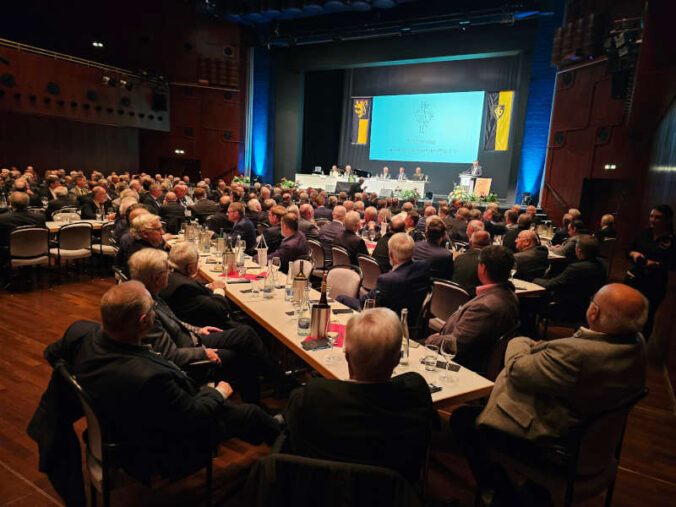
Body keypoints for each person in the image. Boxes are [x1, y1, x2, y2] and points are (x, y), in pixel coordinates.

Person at [31, 281, 281, 498]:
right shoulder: (149, 377)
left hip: (127, 417)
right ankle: (284, 452)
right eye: (153, 311)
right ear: (144, 321)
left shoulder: (79, 332)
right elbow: (193, 416)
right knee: (250, 414)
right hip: (154, 441)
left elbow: (53, 355)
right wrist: (218, 392)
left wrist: (95, 384)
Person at [451, 283, 648, 505]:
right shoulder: (636, 347)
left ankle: (506, 497)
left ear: (594, 312)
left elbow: (517, 369)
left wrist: (520, 342)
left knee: (464, 420)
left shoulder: (575, 354)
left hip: (557, 448)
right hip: (595, 446)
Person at [281, 308, 435, 482]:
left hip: (321, 492)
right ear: (397, 359)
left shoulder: (312, 396)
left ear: (347, 357)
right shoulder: (416, 395)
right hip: (390, 495)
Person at [426, 245, 519, 373]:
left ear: (483, 269)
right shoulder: (509, 294)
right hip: (470, 353)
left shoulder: (484, 307)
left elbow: (456, 345)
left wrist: (432, 339)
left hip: (460, 367)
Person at [338, 233, 431, 327]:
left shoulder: (387, 280)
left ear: (390, 254)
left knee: (341, 299)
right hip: (412, 321)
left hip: (387, 325)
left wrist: (342, 298)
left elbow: (365, 303)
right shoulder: (424, 267)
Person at [625, 204, 675, 340]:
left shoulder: (671, 241)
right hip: (635, 278)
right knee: (628, 311)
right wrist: (633, 253)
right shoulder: (643, 234)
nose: (653, 220)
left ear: (668, 220)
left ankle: (640, 347)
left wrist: (657, 264)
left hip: (655, 284)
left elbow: (673, 264)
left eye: (658, 217)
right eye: (652, 216)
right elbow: (628, 250)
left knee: (647, 316)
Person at [159, 242, 233, 329]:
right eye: (196, 262)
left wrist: (208, 286)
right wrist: (219, 290)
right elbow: (220, 309)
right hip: (204, 326)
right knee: (247, 331)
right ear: (190, 267)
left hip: (186, 318)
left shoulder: (168, 275)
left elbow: (191, 285)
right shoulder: (184, 288)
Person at [534, 235, 607, 322]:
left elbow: (551, 285)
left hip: (565, 309)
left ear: (578, 251)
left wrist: (534, 280)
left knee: (530, 303)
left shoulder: (576, 268)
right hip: (587, 307)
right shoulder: (603, 264)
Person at [0, 191, 46, 257]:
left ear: (11, 203)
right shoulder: (40, 217)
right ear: (28, 203)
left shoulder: (3, 219)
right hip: (37, 250)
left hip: (10, 253)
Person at [452, 230, 491, 297]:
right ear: (489, 244)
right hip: (477, 301)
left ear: (470, 243)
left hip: (454, 298)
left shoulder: (458, 258)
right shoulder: (489, 262)